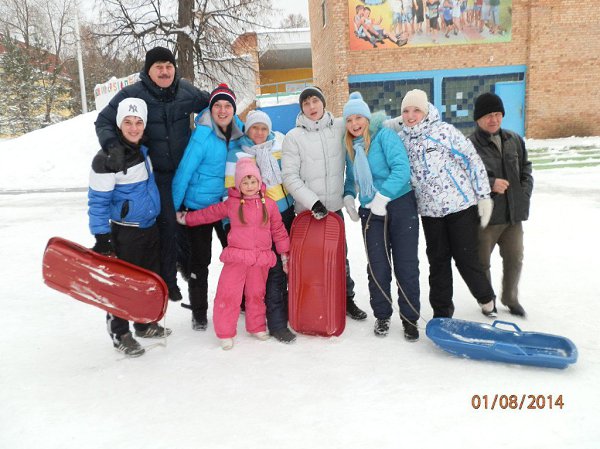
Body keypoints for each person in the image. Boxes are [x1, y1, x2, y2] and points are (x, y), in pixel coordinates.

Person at [95, 46, 210, 304]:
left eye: (169, 66)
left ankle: (184, 268)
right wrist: (114, 148)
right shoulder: (133, 94)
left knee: (189, 225)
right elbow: (103, 121)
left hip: (184, 173)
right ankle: (167, 281)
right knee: (167, 225)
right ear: (148, 70)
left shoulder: (185, 91)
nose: (165, 71)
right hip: (154, 174)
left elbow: (213, 103)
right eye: (159, 67)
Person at [384, 89, 497, 318]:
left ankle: (486, 298)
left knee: (466, 259)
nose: (411, 116)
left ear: (426, 111)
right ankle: (442, 312)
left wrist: (483, 195)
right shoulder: (401, 140)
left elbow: (471, 160)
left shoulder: (443, 132)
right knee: (438, 263)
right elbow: (380, 134)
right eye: (406, 111)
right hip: (429, 213)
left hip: (460, 207)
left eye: (416, 110)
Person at [176, 158, 290, 350]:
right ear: (238, 184)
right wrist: (188, 219)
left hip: (260, 259)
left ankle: (256, 326)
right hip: (237, 258)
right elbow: (209, 214)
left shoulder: (269, 205)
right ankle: (225, 332)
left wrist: (284, 254)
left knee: (256, 294)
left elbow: (278, 230)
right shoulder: (232, 204)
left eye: (253, 181)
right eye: (245, 182)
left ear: (259, 181)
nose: (250, 186)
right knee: (228, 294)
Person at [88, 98, 172, 357]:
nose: (134, 128)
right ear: (119, 124)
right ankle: (120, 333)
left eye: (138, 122)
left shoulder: (143, 151)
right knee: (121, 285)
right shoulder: (106, 159)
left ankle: (143, 324)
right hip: (126, 232)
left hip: (149, 227)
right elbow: (98, 202)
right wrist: (102, 237)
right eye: (128, 122)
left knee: (146, 280)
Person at [282, 86, 367, 321]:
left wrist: (348, 193)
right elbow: (289, 176)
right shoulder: (293, 137)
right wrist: (313, 203)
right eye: (306, 103)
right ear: (301, 108)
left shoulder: (340, 127)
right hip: (307, 213)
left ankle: (347, 299)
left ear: (323, 102)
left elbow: (365, 129)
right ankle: (310, 302)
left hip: (334, 211)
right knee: (310, 261)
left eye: (315, 101)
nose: (311, 107)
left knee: (339, 257)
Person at [342, 92, 421, 341]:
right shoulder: (352, 147)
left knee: (406, 264)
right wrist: (348, 197)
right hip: (370, 212)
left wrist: (383, 196)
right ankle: (383, 314)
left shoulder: (385, 136)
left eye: (358, 118)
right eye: (349, 120)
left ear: (367, 118)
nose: (354, 124)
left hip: (400, 204)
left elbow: (401, 169)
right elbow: (351, 179)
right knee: (377, 265)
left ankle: (410, 318)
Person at [172, 83, 243, 331]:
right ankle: (199, 312)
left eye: (227, 106)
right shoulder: (202, 135)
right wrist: (174, 208)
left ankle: (243, 301)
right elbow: (184, 172)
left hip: (226, 208)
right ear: (211, 109)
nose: (222, 111)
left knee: (236, 255)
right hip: (198, 208)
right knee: (200, 262)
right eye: (217, 106)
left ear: (233, 110)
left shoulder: (240, 134)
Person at [225, 110, 297, 343]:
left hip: (285, 214)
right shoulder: (237, 154)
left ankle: (287, 310)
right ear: (247, 130)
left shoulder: (278, 147)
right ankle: (277, 323)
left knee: (286, 267)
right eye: (254, 128)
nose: (259, 132)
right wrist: (230, 224)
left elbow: (290, 176)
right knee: (273, 271)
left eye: (263, 128)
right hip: (257, 221)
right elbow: (229, 191)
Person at [469, 92, 533, 317]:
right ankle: (488, 300)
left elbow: (526, 169)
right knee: (481, 263)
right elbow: (464, 179)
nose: (493, 119)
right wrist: (490, 184)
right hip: (486, 218)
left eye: (497, 114)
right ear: (478, 118)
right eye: (488, 115)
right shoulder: (469, 145)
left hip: (513, 215)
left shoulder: (513, 139)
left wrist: (523, 193)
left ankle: (510, 298)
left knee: (515, 258)